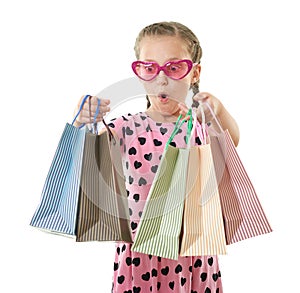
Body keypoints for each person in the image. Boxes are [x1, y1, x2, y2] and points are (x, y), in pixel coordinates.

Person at [74, 21, 239, 293]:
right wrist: (83, 121)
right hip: (139, 254)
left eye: (174, 68)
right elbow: (86, 157)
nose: (161, 79)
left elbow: (231, 143)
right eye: (150, 68)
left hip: (192, 249)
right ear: (139, 73)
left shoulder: (197, 124)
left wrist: (218, 111)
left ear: (194, 73)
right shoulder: (124, 127)